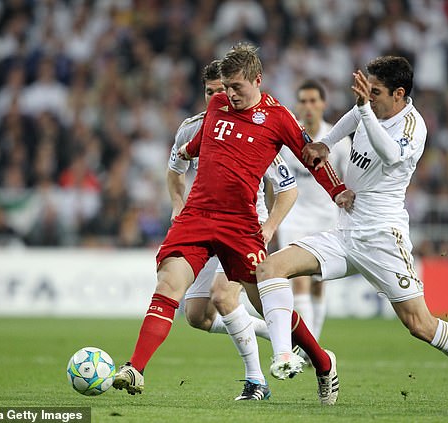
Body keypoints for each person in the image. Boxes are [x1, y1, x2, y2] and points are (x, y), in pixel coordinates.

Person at [256, 56, 448, 410]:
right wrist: (328, 142)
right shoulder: (369, 109)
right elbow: (354, 114)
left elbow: (392, 155)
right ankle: (308, 358)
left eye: (376, 93)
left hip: (383, 238)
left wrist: (365, 111)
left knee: (420, 325)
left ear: (399, 94)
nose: (369, 99)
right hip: (344, 231)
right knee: (270, 269)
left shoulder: (413, 126)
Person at [113, 43, 354, 406]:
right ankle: (135, 368)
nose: (229, 94)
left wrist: (336, 190)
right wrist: (189, 150)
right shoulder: (216, 105)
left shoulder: (279, 117)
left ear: (257, 80)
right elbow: (205, 137)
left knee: (267, 306)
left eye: (236, 87)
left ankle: (322, 362)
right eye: (224, 87)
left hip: (241, 224)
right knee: (169, 284)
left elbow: (312, 157)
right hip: (197, 216)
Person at [166, 60, 298, 400]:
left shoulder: (256, 126)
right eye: (214, 91)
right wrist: (178, 205)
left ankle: (257, 380)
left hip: (242, 226)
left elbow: (287, 187)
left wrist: (268, 226)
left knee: (224, 297)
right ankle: (281, 336)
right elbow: (175, 170)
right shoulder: (191, 128)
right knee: (196, 316)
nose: (222, 96)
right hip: (203, 223)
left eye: (226, 90)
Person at [277, 79, 351, 352]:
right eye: (303, 101)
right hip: (294, 219)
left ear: (322, 104)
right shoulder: (288, 141)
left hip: (327, 220)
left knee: (319, 286)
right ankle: (307, 350)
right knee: (299, 284)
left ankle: (312, 346)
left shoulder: (338, 141)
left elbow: (349, 181)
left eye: (313, 101)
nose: (308, 107)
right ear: (297, 105)